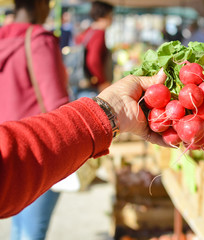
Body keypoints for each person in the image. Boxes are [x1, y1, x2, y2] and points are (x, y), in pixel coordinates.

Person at [0, 69, 168, 219]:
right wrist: (104, 112)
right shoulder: (40, 39)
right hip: (37, 127)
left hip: (19, 123)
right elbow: (12, 164)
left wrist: (109, 111)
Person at [0, 0, 70, 239]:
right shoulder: (39, 40)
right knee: (33, 231)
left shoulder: (2, 38)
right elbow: (57, 104)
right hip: (37, 148)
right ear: (40, 4)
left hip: (6, 147)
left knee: (19, 228)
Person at [73, 1, 114, 99]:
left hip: (82, 82)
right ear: (104, 16)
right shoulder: (99, 33)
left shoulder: (88, 31)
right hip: (93, 87)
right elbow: (93, 60)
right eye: (111, 15)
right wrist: (102, 82)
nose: (112, 19)